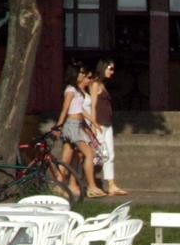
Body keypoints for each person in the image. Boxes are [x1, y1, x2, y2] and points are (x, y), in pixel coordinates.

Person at [52, 62, 107, 199]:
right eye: (81, 73)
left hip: (78, 125)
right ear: (74, 74)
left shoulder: (77, 90)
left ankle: (59, 186)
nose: (83, 75)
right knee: (89, 154)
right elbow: (65, 109)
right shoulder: (70, 90)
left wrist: (93, 123)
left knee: (67, 158)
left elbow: (80, 110)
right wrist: (58, 126)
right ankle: (92, 186)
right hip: (71, 126)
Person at [89, 58, 127, 196]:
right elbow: (93, 105)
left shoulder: (102, 84)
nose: (112, 72)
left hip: (107, 123)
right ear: (103, 68)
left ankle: (111, 185)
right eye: (110, 68)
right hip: (99, 124)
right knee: (97, 155)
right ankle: (88, 183)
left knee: (109, 154)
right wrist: (94, 124)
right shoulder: (95, 84)